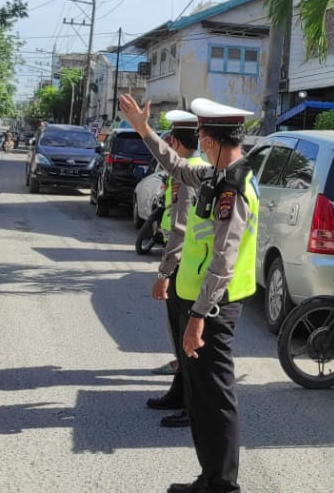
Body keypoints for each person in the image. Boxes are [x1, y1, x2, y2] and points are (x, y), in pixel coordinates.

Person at [118, 94, 257, 493]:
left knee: (214, 399)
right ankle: (210, 477)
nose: (198, 142)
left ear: (211, 142)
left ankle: (221, 485)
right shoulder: (217, 174)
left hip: (212, 308)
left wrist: (198, 317)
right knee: (201, 397)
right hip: (202, 303)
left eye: (201, 135)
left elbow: (224, 260)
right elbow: (176, 164)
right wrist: (143, 130)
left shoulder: (233, 186)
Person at [145, 112, 205, 429]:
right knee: (180, 333)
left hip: (185, 265)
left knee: (186, 337)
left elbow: (181, 228)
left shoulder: (187, 175)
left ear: (176, 143)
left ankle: (191, 404)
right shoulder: (190, 170)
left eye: (170, 139)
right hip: (185, 262)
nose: (167, 143)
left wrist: (164, 273)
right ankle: (178, 392)